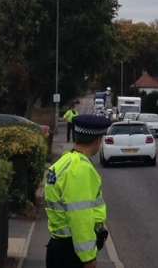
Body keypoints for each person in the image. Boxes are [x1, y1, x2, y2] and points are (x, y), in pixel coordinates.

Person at [45, 114, 111, 268]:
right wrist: (88, 258)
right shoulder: (80, 169)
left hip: (58, 247)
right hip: (72, 253)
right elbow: (80, 217)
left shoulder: (64, 161)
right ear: (96, 140)